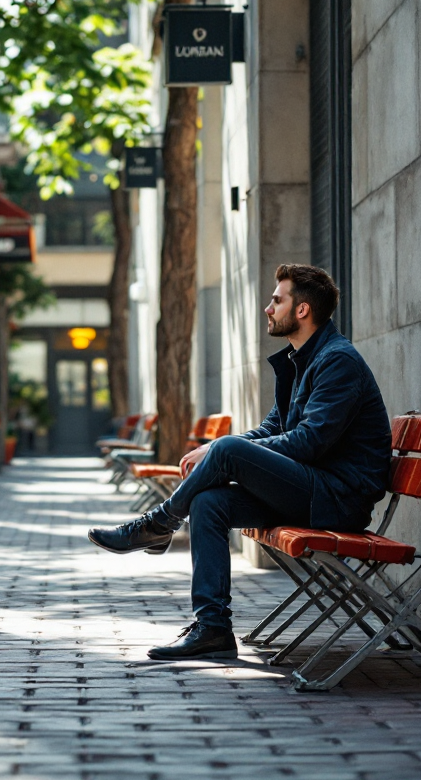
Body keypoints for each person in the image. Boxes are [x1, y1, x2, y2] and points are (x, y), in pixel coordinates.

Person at [87, 264, 391, 661]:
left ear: (301, 310)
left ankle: (158, 524)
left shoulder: (337, 361)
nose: (268, 308)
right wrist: (217, 448)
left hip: (337, 499)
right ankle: (213, 627)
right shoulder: (300, 361)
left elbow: (311, 442)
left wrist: (222, 450)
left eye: (277, 300)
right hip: (311, 489)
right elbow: (270, 429)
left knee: (227, 449)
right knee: (208, 502)